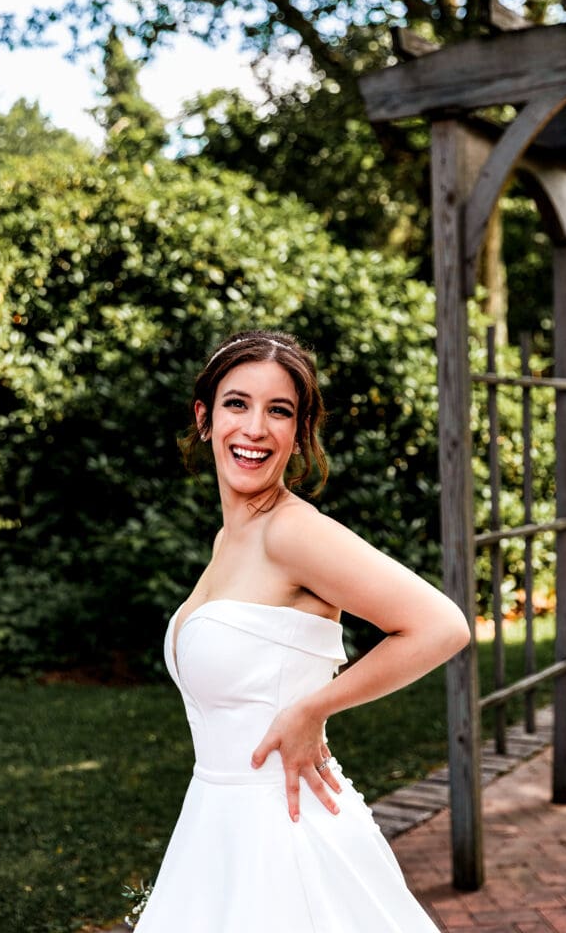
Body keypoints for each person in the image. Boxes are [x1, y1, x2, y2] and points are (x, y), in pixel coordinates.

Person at [134, 329, 470, 932]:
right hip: (215, 823)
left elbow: (441, 626)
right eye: (237, 404)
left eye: (279, 411)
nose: (255, 428)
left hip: (284, 834)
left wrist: (314, 707)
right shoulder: (229, 539)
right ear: (204, 418)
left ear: (299, 432)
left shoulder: (293, 532)